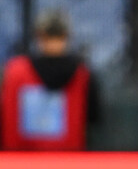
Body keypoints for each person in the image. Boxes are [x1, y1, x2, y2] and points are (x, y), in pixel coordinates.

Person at [0, 10, 100, 150]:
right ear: (67, 36)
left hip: (20, 162)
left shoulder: (15, 72)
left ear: (39, 36)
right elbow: (93, 118)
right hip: (68, 160)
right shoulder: (82, 74)